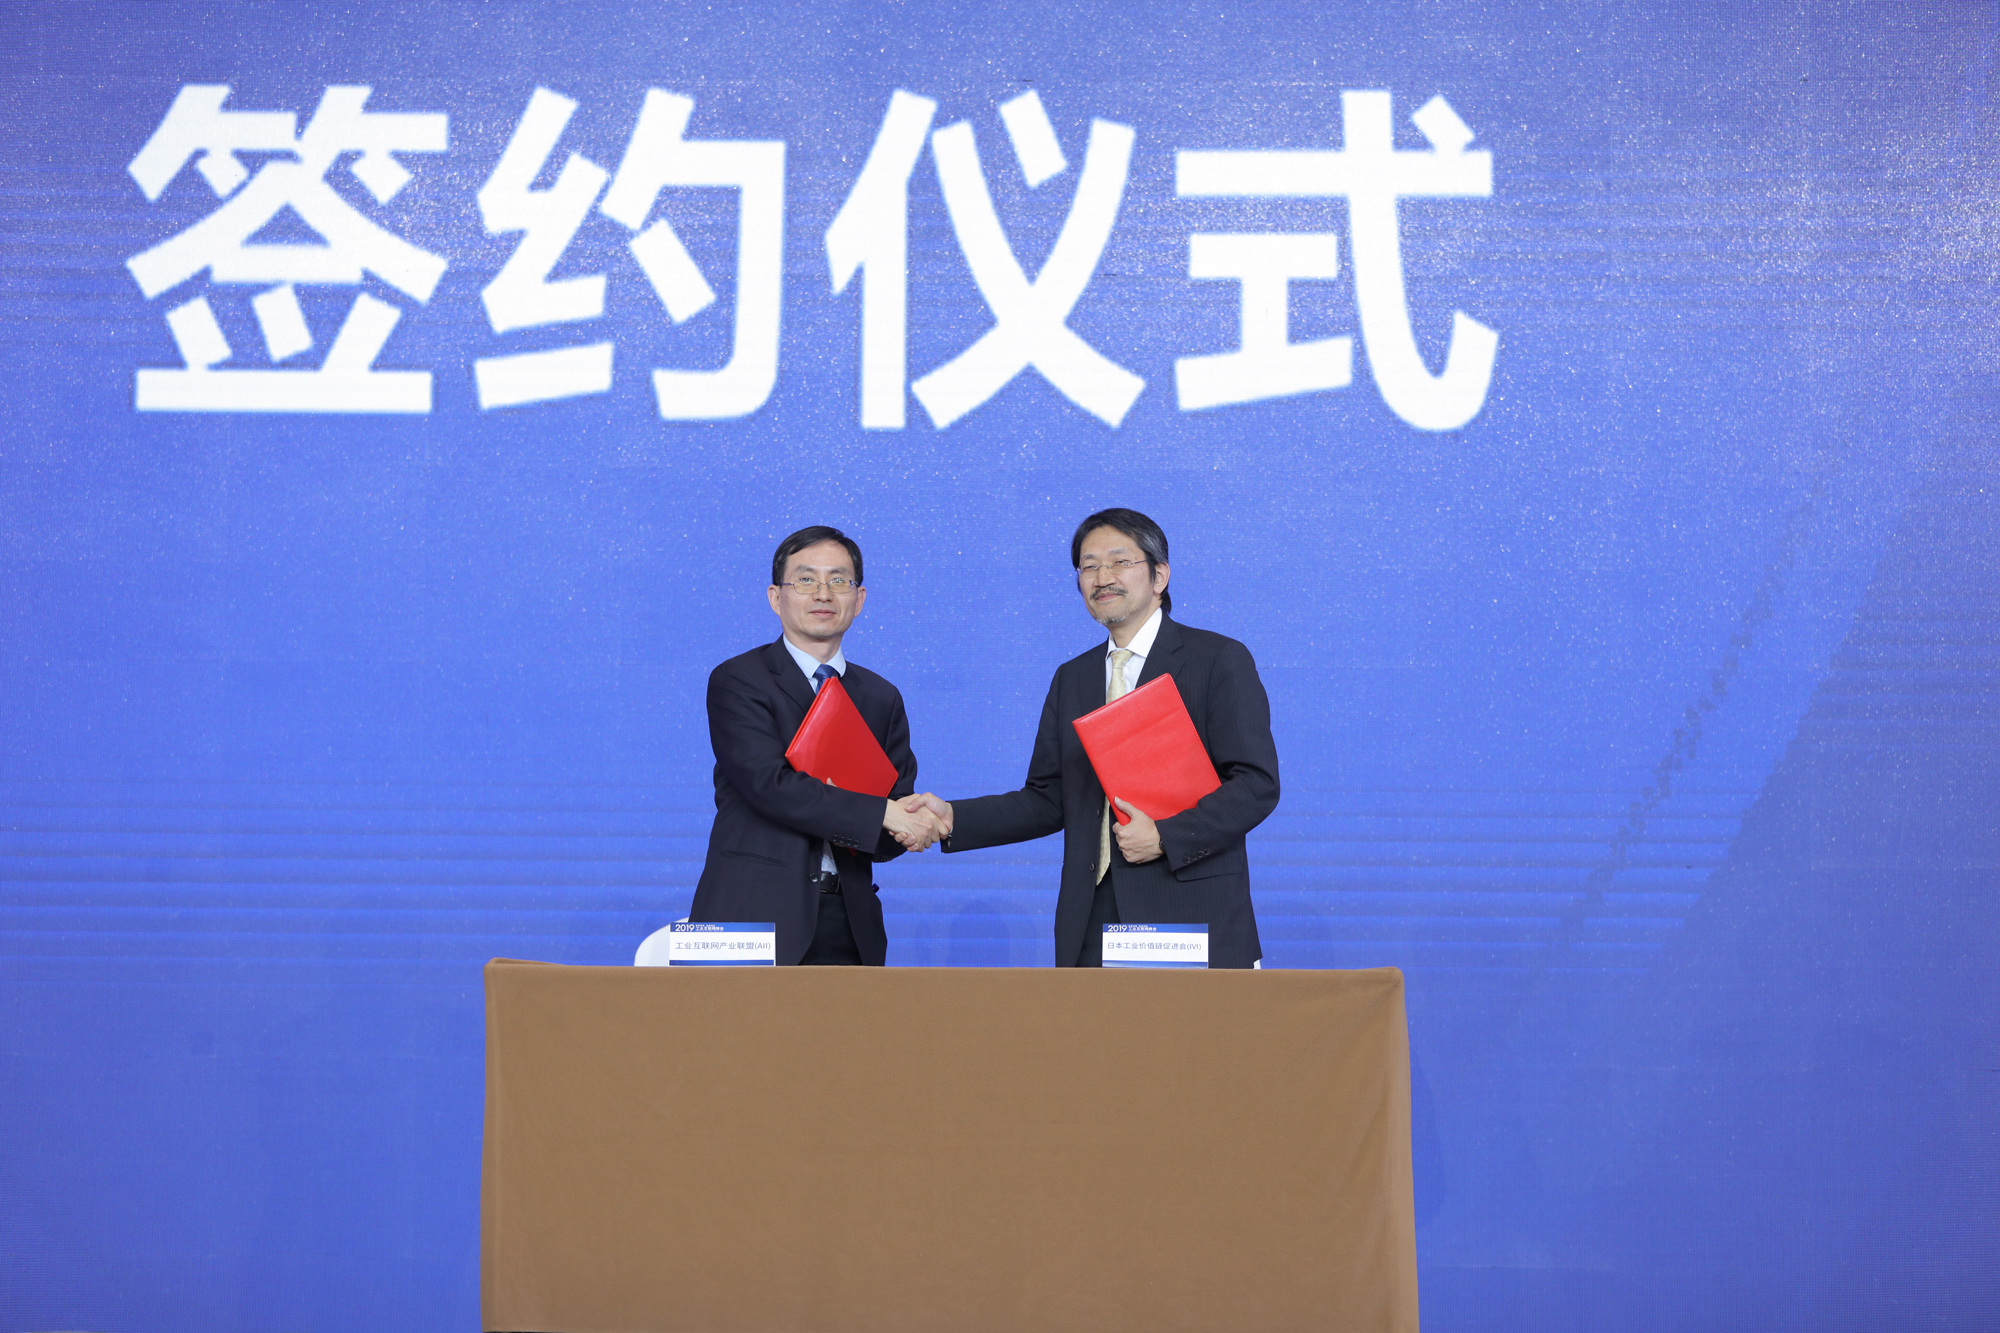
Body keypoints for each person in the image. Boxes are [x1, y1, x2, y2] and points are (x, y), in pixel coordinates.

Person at [905, 509, 1279, 968]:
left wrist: (1165, 837)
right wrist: (953, 819)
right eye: (1089, 566)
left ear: (1160, 575)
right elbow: (1048, 799)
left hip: (1187, 912)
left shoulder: (1216, 658)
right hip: (1090, 915)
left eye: (1120, 562)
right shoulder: (1073, 677)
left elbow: (1256, 785)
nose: (1103, 578)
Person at [690, 526, 943, 966]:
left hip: (849, 922)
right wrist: (882, 813)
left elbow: (891, 817)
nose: (823, 593)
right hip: (749, 915)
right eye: (805, 580)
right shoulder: (738, 680)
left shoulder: (881, 697)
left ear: (859, 599)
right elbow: (770, 786)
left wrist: (908, 825)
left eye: (838, 580)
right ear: (776, 597)